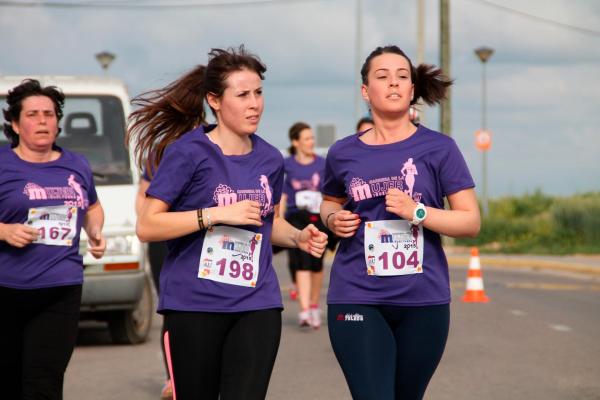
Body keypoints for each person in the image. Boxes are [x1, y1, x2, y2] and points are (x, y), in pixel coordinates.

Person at [127, 46, 328, 400]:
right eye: (243, 95)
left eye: (259, 93)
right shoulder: (187, 153)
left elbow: (270, 222)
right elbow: (147, 225)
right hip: (194, 305)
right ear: (215, 101)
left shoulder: (269, 158)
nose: (255, 104)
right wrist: (215, 214)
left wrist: (298, 237)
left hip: (257, 303)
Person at [320, 45, 480, 400]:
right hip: (356, 294)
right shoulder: (343, 152)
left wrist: (417, 212)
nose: (393, 83)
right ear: (365, 91)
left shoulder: (440, 148)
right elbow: (328, 202)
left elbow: (470, 222)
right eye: (382, 76)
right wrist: (333, 219)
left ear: (412, 90)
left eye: (402, 76)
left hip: (423, 299)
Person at [0, 79, 106, 399]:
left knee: (44, 380)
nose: (43, 120)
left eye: (49, 113)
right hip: (7, 290)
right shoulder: (3, 165)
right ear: (16, 124)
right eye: (33, 114)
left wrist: (95, 230)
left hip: (61, 288)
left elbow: (93, 206)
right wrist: (3, 230)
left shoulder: (76, 165)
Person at [280, 121, 328, 328]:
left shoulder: (323, 164)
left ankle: (314, 305)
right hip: (296, 218)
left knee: (316, 265)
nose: (311, 142)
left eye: (312, 138)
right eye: (307, 138)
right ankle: (305, 310)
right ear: (296, 142)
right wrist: (278, 220)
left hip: (318, 219)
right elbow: (281, 195)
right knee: (301, 263)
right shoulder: (287, 165)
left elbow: (330, 194)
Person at [135, 170, 172, 400]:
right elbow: (142, 196)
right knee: (171, 308)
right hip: (164, 240)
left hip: (202, 237)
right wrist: (148, 223)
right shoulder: (161, 152)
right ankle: (173, 377)